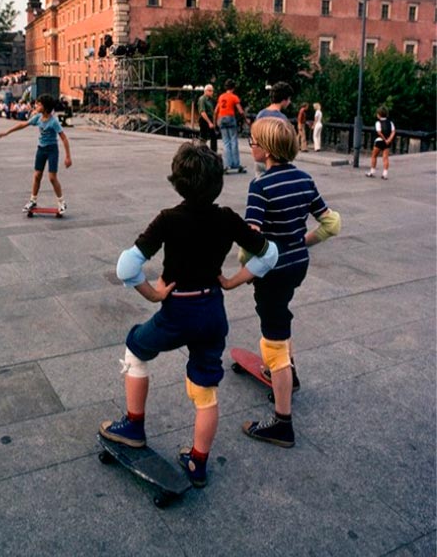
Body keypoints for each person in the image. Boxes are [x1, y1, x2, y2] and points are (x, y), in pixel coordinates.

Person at [99, 142, 278, 487]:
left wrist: (153, 293)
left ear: (176, 182)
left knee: (136, 348)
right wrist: (232, 281)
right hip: (212, 310)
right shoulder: (227, 218)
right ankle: (198, 462)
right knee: (205, 385)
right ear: (218, 183)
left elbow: (127, 267)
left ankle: (134, 426)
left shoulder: (168, 220)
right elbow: (269, 255)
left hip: (177, 310)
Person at [219, 117, 341, 449]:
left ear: (269, 149)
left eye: (254, 142)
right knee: (282, 317)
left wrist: (241, 272)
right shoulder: (304, 178)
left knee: (272, 338)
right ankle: (290, 375)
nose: (251, 146)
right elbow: (331, 222)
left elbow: (252, 238)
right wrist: (303, 241)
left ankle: (281, 423)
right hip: (297, 266)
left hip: (272, 273)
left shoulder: (261, 186)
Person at [0, 94, 72, 214]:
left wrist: (68, 157)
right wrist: (7, 132)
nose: (36, 105)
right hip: (41, 149)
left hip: (52, 150)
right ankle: (33, 200)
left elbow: (64, 138)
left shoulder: (54, 122)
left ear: (46, 107)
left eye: (39, 104)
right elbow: (23, 125)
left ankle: (61, 202)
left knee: (52, 178)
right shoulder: (37, 118)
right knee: (37, 175)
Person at [214, 79, 246, 173]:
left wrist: (215, 122)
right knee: (233, 141)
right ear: (233, 88)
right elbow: (240, 111)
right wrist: (245, 119)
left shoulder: (221, 97)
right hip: (230, 118)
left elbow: (216, 110)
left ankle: (226, 165)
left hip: (221, 118)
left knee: (226, 142)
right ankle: (236, 164)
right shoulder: (234, 97)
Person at [366, 106, 396, 180]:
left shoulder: (378, 122)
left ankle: (372, 171)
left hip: (379, 141)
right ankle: (385, 173)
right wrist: (389, 139)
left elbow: (379, 132)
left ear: (379, 114)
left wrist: (384, 139)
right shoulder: (390, 122)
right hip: (387, 142)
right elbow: (393, 131)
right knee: (385, 158)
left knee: (374, 156)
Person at [197, 84, 217, 152]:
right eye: (209, 91)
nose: (211, 92)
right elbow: (202, 112)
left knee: (213, 137)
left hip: (210, 119)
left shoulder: (211, 100)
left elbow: (213, 112)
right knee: (203, 137)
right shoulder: (202, 99)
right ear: (205, 91)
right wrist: (209, 122)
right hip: (204, 119)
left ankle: (213, 152)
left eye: (212, 91)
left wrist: (213, 122)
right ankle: (200, 151)